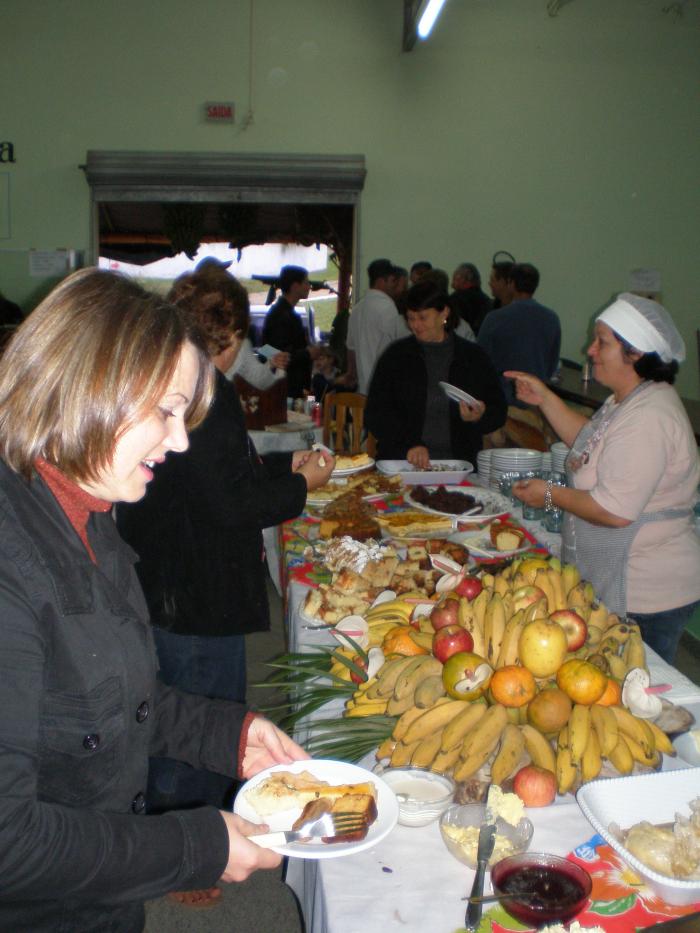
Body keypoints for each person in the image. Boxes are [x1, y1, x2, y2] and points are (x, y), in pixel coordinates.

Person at [0, 268, 309, 931]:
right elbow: (10, 842)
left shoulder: (92, 518)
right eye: (166, 412)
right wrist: (202, 845)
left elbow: (114, 695)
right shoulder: (10, 563)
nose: (177, 442)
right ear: (88, 388)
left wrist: (229, 734)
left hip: (105, 903)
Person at [117, 270, 333, 817]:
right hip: (195, 590)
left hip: (177, 577)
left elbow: (223, 473)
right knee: (199, 716)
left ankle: (189, 819)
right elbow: (228, 505)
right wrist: (301, 486)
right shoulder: (203, 394)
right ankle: (185, 827)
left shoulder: (181, 384)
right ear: (228, 332)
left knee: (191, 706)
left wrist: (285, 466)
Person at [509, 293, 700, 663]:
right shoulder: (628, 400)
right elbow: (592, 443)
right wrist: (545, 399)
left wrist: (549, 495)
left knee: (634, 694)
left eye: (602, 342)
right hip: (623, 580)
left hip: (645, 591)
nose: (590, 350)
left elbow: (615, 510)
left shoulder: (650, 417)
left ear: (637, 353)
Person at [366, 280, 507, 469]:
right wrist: (409, 444)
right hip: (402, 462)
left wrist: (480, 416)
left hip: (459, 464)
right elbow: (376, 413)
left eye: (423, 318)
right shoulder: (396, 356)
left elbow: (498, 411)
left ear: (444, 313)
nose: (416, 325)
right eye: (410, 318)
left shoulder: (473, 358)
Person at [478, 262, 561, 405]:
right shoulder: (551, 318)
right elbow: (552, 364)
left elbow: (480, 360)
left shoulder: (494, 318)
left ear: (511, 283)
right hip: (536, 400)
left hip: (502, 400)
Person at [343, 258, 404, 394]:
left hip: (363, 388)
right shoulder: (388, 307)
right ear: (381, 281)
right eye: (392, 281)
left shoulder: (357, 308)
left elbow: (351, 348)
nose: (395, 286)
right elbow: (393, 348)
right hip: (383, 387)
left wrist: (351, 374)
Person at [261, 264, 320, 398]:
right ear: (295, 286)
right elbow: (273, 352)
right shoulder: (281, 316)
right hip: (285, 388)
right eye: (306, 282)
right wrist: (308, 353)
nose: (309, 286)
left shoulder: (284, 313)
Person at [448, 262, 493, 335]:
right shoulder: (487, 300)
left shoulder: (455, 300)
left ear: (463, 280)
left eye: (455, 279)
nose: (452, 285)